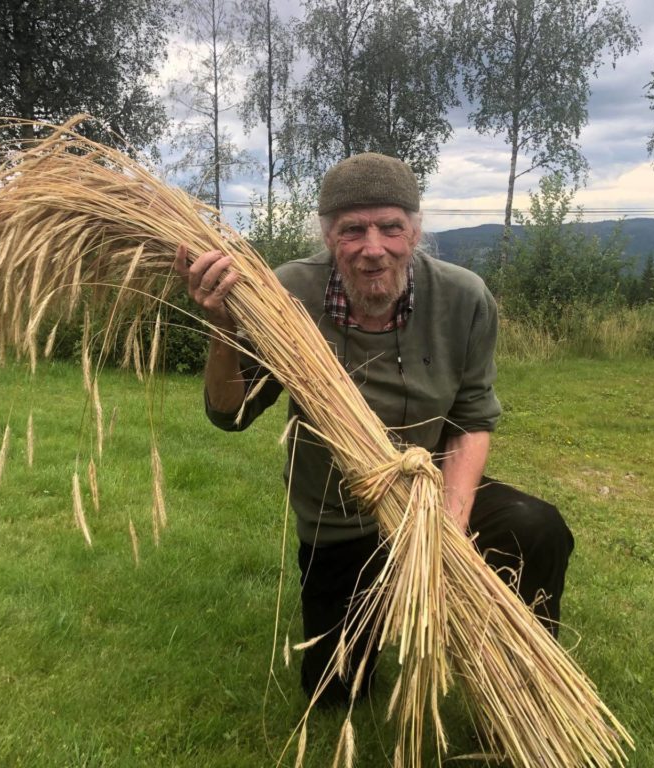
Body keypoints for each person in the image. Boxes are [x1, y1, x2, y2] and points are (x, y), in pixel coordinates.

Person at [177, 152, 574, 707]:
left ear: (415, 231)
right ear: (327, 235)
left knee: (537, 526)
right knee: (336, 693)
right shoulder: (288, 293)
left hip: (430, 495)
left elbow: (473, 417)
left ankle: (524, 680)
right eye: (352, 230)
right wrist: (223, 327)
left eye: (390, 227)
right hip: (340, 517)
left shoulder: (464, 298)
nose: (372, 248)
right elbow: (231, 413)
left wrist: (449, 526)